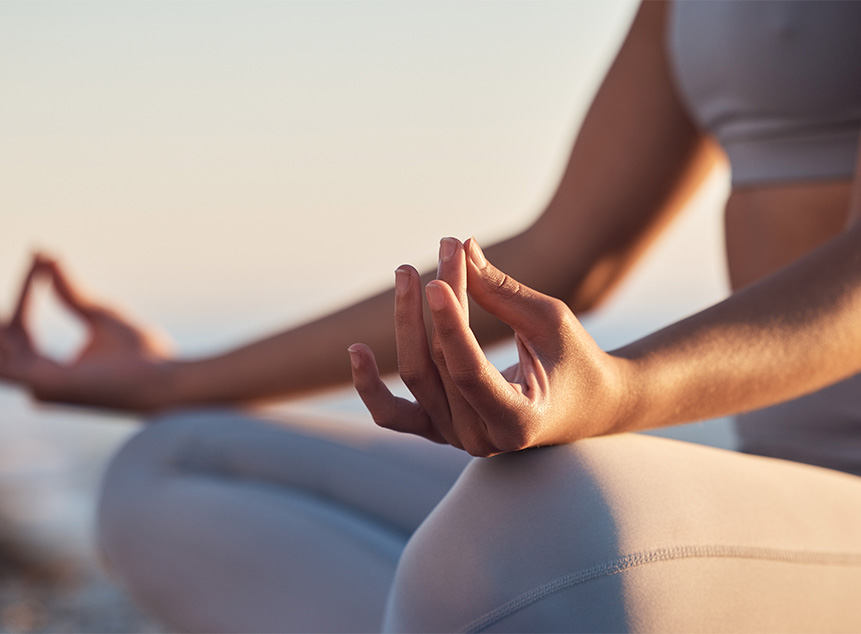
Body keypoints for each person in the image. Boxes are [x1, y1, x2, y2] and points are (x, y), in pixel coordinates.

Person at [2, 1, 861, 631]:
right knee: (172, 467)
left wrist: (616, 391)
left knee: (541, 519)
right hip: (780, 489)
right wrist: (170, 382)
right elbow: (569, 250)